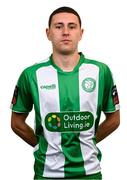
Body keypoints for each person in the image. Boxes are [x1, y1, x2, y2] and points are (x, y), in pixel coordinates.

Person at [10, 6, 120, 180]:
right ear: (48, 33)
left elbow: (114, 119)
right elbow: (16, 123)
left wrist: (87, 142)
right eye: (59, 26)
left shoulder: (101, 71)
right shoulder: (31, 75)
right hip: (46, 173)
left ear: (81, 33)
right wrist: (42, 145)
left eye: (72, 26)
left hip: (89, 172)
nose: (66, 32)